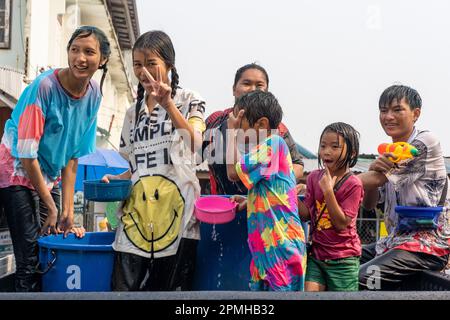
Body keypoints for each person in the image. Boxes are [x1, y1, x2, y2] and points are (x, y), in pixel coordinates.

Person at [0, 25, 110, 292]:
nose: (80, 58)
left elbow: (73, 158)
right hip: (16, 167)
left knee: (56, 240)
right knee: (28, 259)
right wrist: (52, 206)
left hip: (49, 173)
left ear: (103, 60)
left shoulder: (94, 94)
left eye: (89, 52)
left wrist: (68, 213)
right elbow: (26, 155)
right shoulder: (45, 87)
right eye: (74, 50)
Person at [102, 30, 206, 291]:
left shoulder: (189, 100)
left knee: (168, 295)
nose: (143, 71)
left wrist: (168, 104)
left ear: (169, 65)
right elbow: (135, 166)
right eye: (138, 64)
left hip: (177, 218)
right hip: (135, 219)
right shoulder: (132, 112)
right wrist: (115, 179)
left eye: (151, 64)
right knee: (123, 291)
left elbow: (195, 143)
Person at [358, 85, 450, 290]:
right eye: (383, 111)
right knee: (340, 261)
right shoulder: (387, 152)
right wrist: (373, 174)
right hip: (394, 241)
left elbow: (377, 179)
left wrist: (331, 185)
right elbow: (370, 203)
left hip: (426, 247)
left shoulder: (424, 142)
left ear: (416, 113)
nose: (388, 116)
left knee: (361, 279)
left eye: (397, 109)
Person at [227, 91, 306, 291]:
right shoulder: (269, 150)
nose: (237, 125)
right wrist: (248, 200)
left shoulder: (273, 144)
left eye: (240, 121)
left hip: (281, 247)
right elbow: (271, 190)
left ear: (261, 125)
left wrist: (230, 133)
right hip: (267, 249)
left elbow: (232, 172)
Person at [203, 63, 304, 195]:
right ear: (234, 89)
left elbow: (297, 164)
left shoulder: (277, 129)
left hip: (265, 205)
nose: (252, 89)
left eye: (259, 85)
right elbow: (192, 152)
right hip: (221, 204)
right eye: (246, 83)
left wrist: (276, 182)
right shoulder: (214, 121)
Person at [298, 122, 363, 292]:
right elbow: (306, 214)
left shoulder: (353, 184)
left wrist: (328, 191)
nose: (326, 151)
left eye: (335, 147)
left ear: (352, 153)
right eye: (323, 146)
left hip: (344, 260)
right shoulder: (313, 178)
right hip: (317, 256)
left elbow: (341, 224)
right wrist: (288, 192)